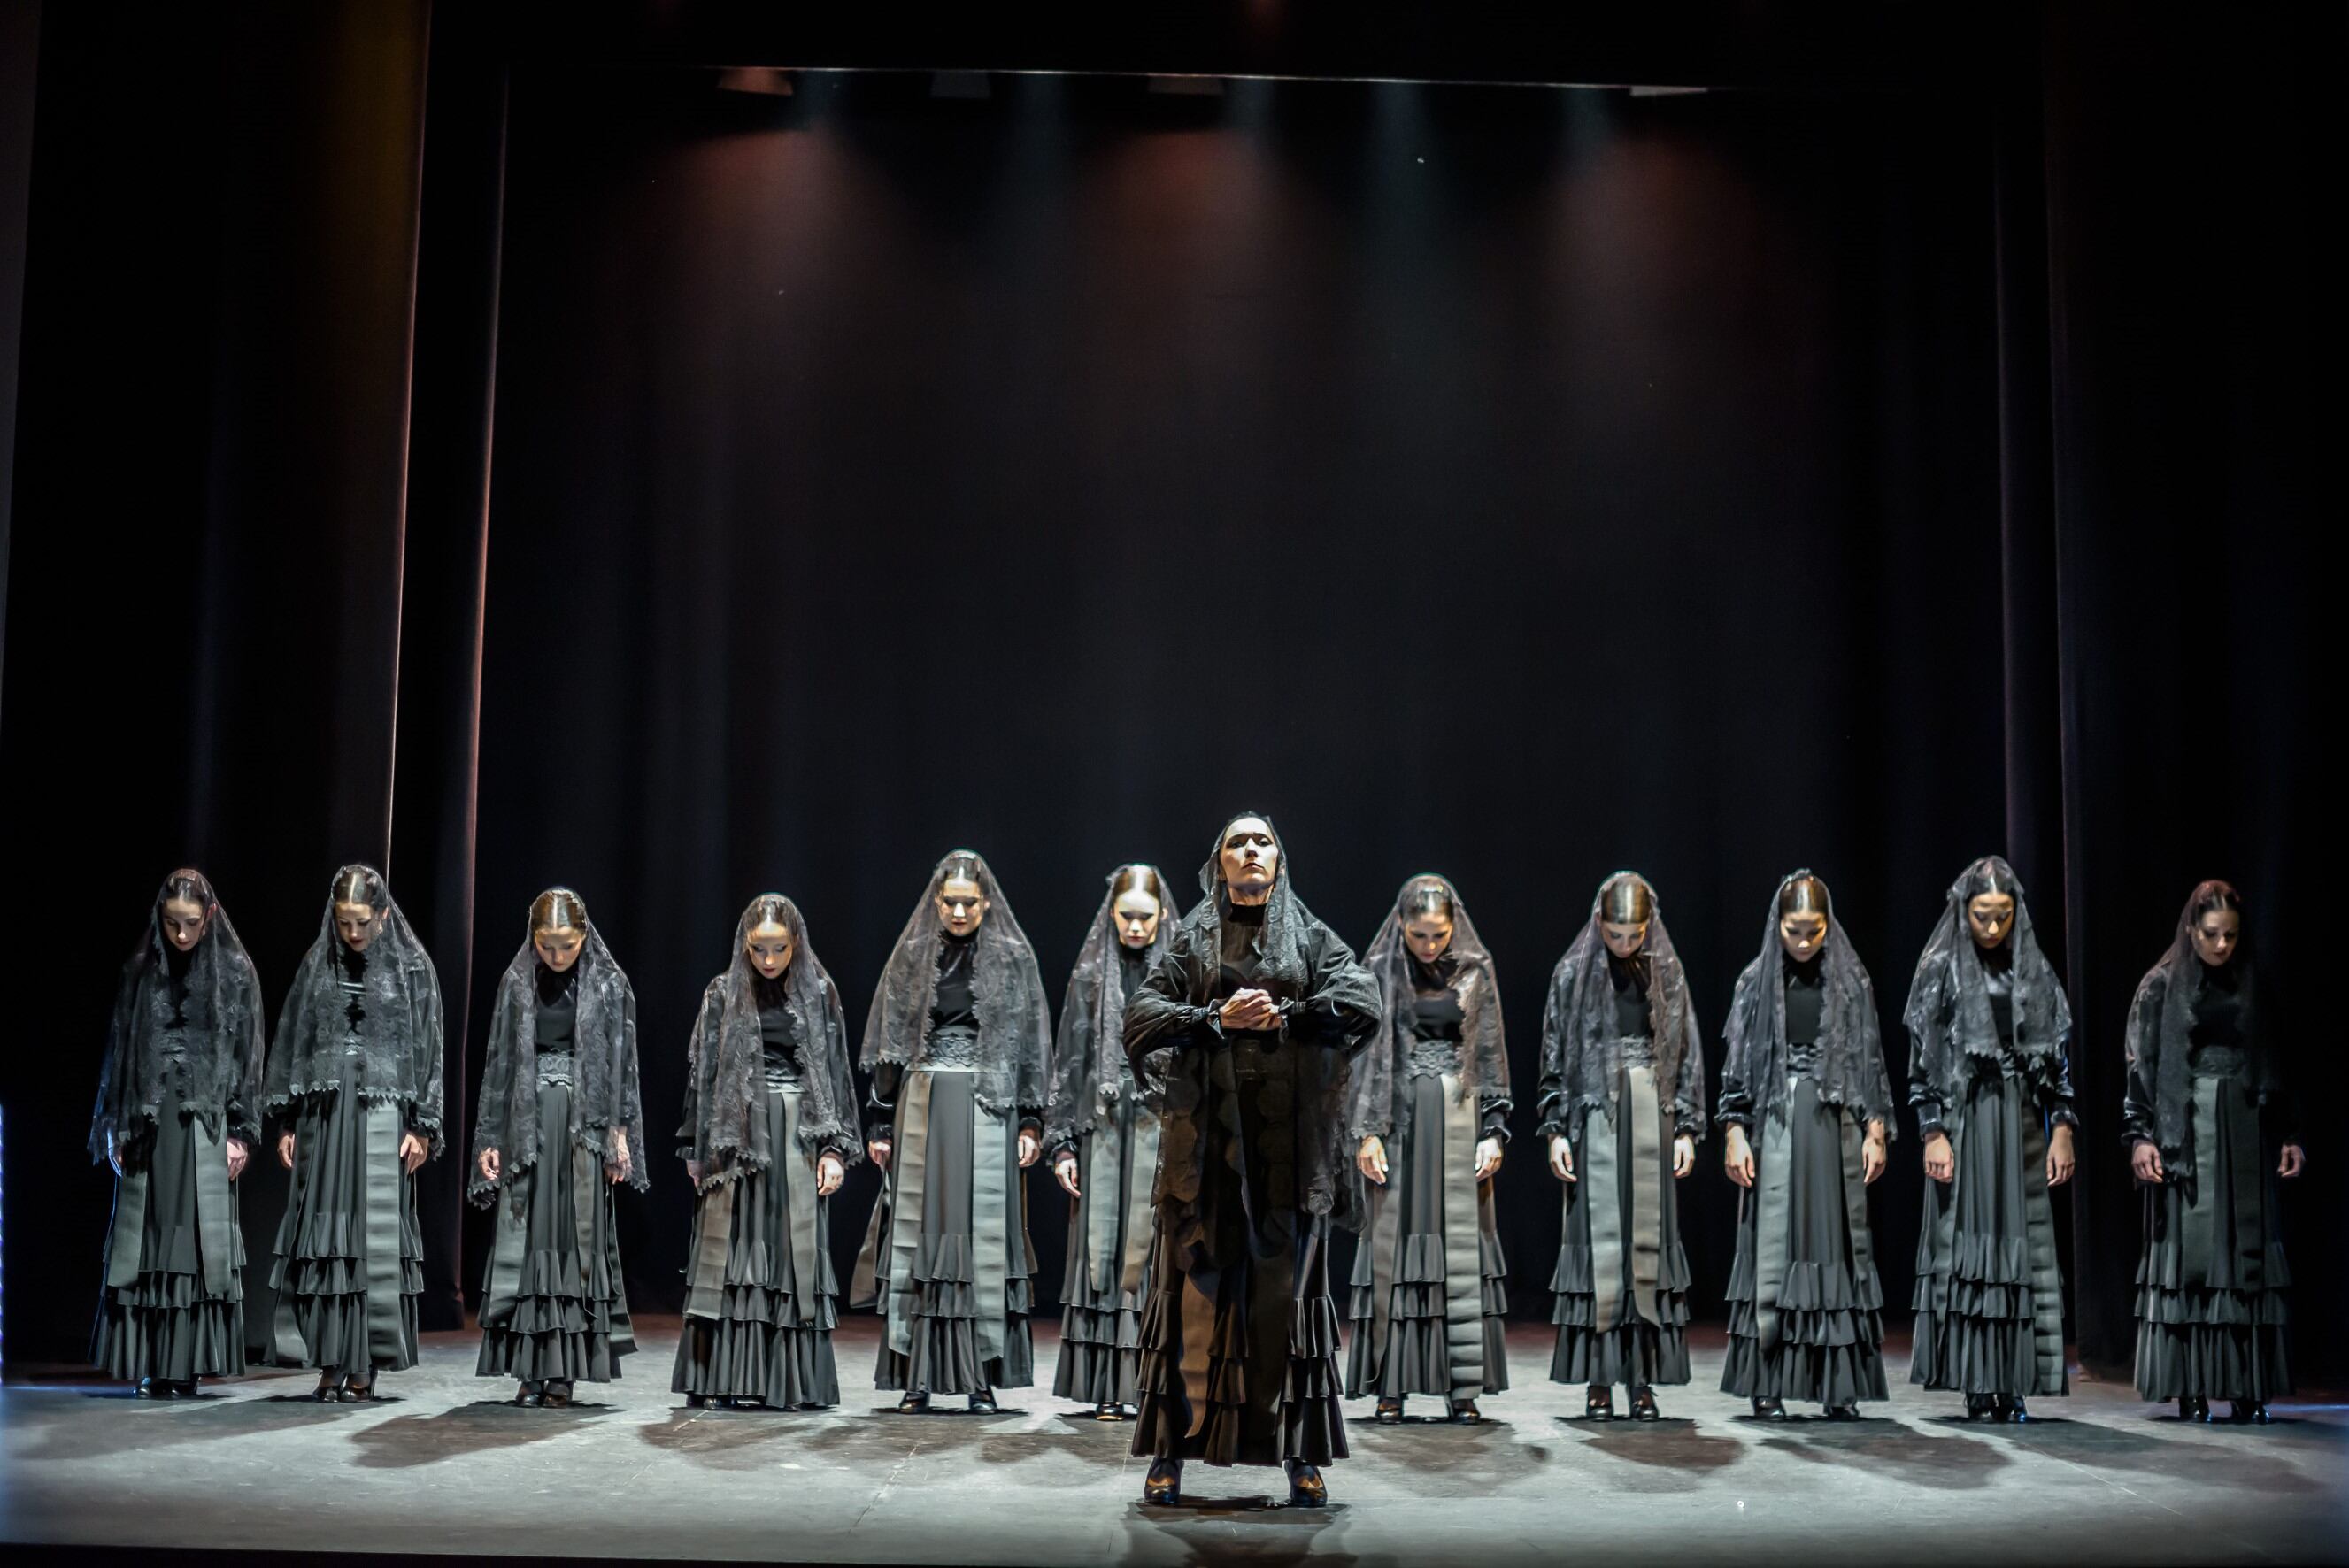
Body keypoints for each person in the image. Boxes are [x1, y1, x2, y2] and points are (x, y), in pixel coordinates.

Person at [1123, 812, 1379, 1508]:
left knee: (1285, 1302)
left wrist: (1288, 1015)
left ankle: (1299, 1457)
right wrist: (1214, 1020)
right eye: (1237, 842)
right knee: (1192, 1299)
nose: (1250, 851)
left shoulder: (1311, 936)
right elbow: (1141, 1014)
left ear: (1279, 858)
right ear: (1219, 862)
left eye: (1261, 840)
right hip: (1205, 1153)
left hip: (1289, 1155)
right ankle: (1171, 1454)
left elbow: (1363, 1002)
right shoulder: (1192, 938)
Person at [852, 850, 1050, 1413]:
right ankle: (917, 1375)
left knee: (980, 1238)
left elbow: (1032, 1044)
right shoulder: (913, 959)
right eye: (951, 902)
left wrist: (1032, 1120)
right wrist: (880, 1122)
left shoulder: (1011, 958)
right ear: (937, 901)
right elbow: (891, 1045)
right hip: (924, 1103)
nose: (960, 912)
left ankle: (979, 1378)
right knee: (923, 1233)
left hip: (988, 1108)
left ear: (985, 902)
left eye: (969, 903)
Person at [1904, 855, 2077, 1421]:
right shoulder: (1941, 970)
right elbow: (1923, 1064)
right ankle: (1979, 1380)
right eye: (1983, 915)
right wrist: (1932, 1131)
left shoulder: (2032, 969)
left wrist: (2062, 1128)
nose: (1994, 927)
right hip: (1966, 1119)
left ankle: (2015, 1378)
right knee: (1971, 1247)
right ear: (1964, 911)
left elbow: (2054, 1056)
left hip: (2021, 1121)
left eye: (2003, 915)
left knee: (2020, 1248)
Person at [1718, 871, 1894, 1419]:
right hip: (1775, 1126)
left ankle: (1836, 1385)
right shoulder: (1755, 983)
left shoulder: (1849, 982)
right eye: (1794, 930)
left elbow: (1868, 1061)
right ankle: (1767, 1381)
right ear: (1779, 925)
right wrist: (1733, 1131)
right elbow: (1737, 1069)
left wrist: (1875, 1127)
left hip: (1830, 1126)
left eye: (1813, 931)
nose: (1803, 941)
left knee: (1832, 1244)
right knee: (1775, 1248)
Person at [2124, 880, 2301, 1423]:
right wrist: (2140, 1135)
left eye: (2230, 935)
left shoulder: (2252, 983)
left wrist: (2288, 1133)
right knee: (2195, 1258)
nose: (2221, 945)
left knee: (2244, 1258)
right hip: (2189, 1129)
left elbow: (2274, 1061)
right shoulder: (2162, 986)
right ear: (2191, 930)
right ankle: (2191, 1386)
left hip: (2245, 1128)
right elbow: (2142, 1064)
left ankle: (2247, 1386)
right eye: (2211, 935)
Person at [675, 894, 860, 1410]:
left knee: (791, 1253)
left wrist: (834, 1152)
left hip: (797, 1135)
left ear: (795, 943)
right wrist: (695, 1148)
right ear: (747, 946)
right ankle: (721, 1378)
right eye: (760, 949)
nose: (770, 959)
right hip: (738, 1137)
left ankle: (794, 1381)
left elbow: (833, 1078)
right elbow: (703, 1075)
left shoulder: (818, 994)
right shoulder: (722, 995)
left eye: (780, 948)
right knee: (730, 1252)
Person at [265, 865, 443, 1401]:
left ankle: (365, 1361)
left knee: (371, 1239)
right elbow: (295, 1040)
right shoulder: (317, 964)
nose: (355, 934)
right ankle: (330, 1359)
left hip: (382, 1118)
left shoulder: (413, 969)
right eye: (345, 923)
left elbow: (429, 1052)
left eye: (363, 922)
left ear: (383, 915)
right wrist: (290, 1121)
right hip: (326, 1114)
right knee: (326, 1237)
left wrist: (423, 1126)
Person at [90, 869, 266, 1397]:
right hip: (151, 1122)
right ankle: (151, 1362)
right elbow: (120, 1055)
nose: (182, 935)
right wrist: (118, 1126)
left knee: (195, 1239)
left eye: (191, 924)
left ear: (209, 917)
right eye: (172, 924)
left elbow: (248, 1058)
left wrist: (241, 1132)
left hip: (205, 1124)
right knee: (148, 1236)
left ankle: (186, 1363)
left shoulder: (235, 974)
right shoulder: (142, 971)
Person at [1345, 873, 1510, 1424]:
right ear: (1401, 925)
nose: (1430, 945)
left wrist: (1494, 1129)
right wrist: (1366, 1132)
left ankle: (1461, 1386)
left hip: (1460, 1121)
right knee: (1395, 1243)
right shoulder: (1379, 973)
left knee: (1460, 1248)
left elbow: (1488, 1053)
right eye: (1419, 935)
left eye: (1438, 934)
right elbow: (1362, 1059)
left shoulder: (1474, 972)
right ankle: (1391, 1384)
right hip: (1400, 1124)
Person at [1537, 872, 1701, 1419]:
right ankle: (1599, 1380)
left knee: (1646, 1247)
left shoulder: (1667, 973)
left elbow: (1686, 1052)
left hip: (1651, 1117)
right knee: (1601, 1245)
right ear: (1599, 924)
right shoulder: (1573, 974)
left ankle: (1643, 1380)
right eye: (1615, 935)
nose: (1625, 944)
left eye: (1633, 935)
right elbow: (1554, 1055)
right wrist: (1556, 1128)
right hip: (1595, 1121)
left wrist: (1686, 1128)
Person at [471, 888, 643, 1405]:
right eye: (547, 945)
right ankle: (529, 1368)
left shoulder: (609, 986)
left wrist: (619, 1134)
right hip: (529, 1125)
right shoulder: (517, 983)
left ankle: (564, 1370)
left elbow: (622, 1068)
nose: (557, 955)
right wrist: (490, 1136)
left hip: (582, 1127)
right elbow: (499, 1064)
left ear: (583, 935)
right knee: (528, 1239)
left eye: (566, 945)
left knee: (573, 1239)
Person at [1045, 864, 1180, 1419]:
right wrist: (1061, 1145)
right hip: (1103, 1125)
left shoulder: (1180, 973)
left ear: (1163, 916)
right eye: (1126, 916)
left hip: (1160, 1124)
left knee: (1153, 1249)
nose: (1135, 926)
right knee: (1101, 1249)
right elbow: (1071, 1062)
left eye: (1145, 917)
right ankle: (1105, 1383)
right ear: (1112, 915)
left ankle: (1152, 1382)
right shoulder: (1091, 976)